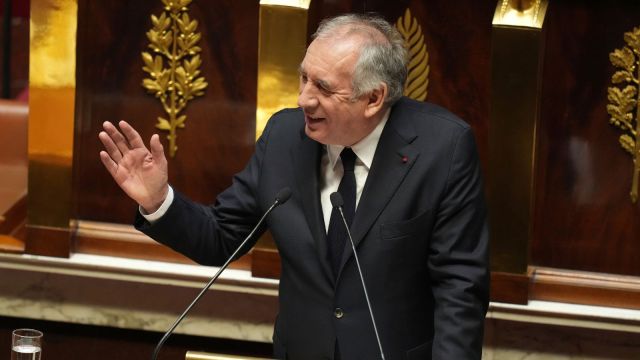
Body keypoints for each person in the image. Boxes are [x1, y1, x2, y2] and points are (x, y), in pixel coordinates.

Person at [99, 13, 489, 360]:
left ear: (373, 98)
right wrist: (157, 201)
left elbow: (460, 287)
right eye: (303, 77)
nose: (303, 99)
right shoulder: (284, 136)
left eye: (322, 87)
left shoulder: (443, 148)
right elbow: (222, 236)